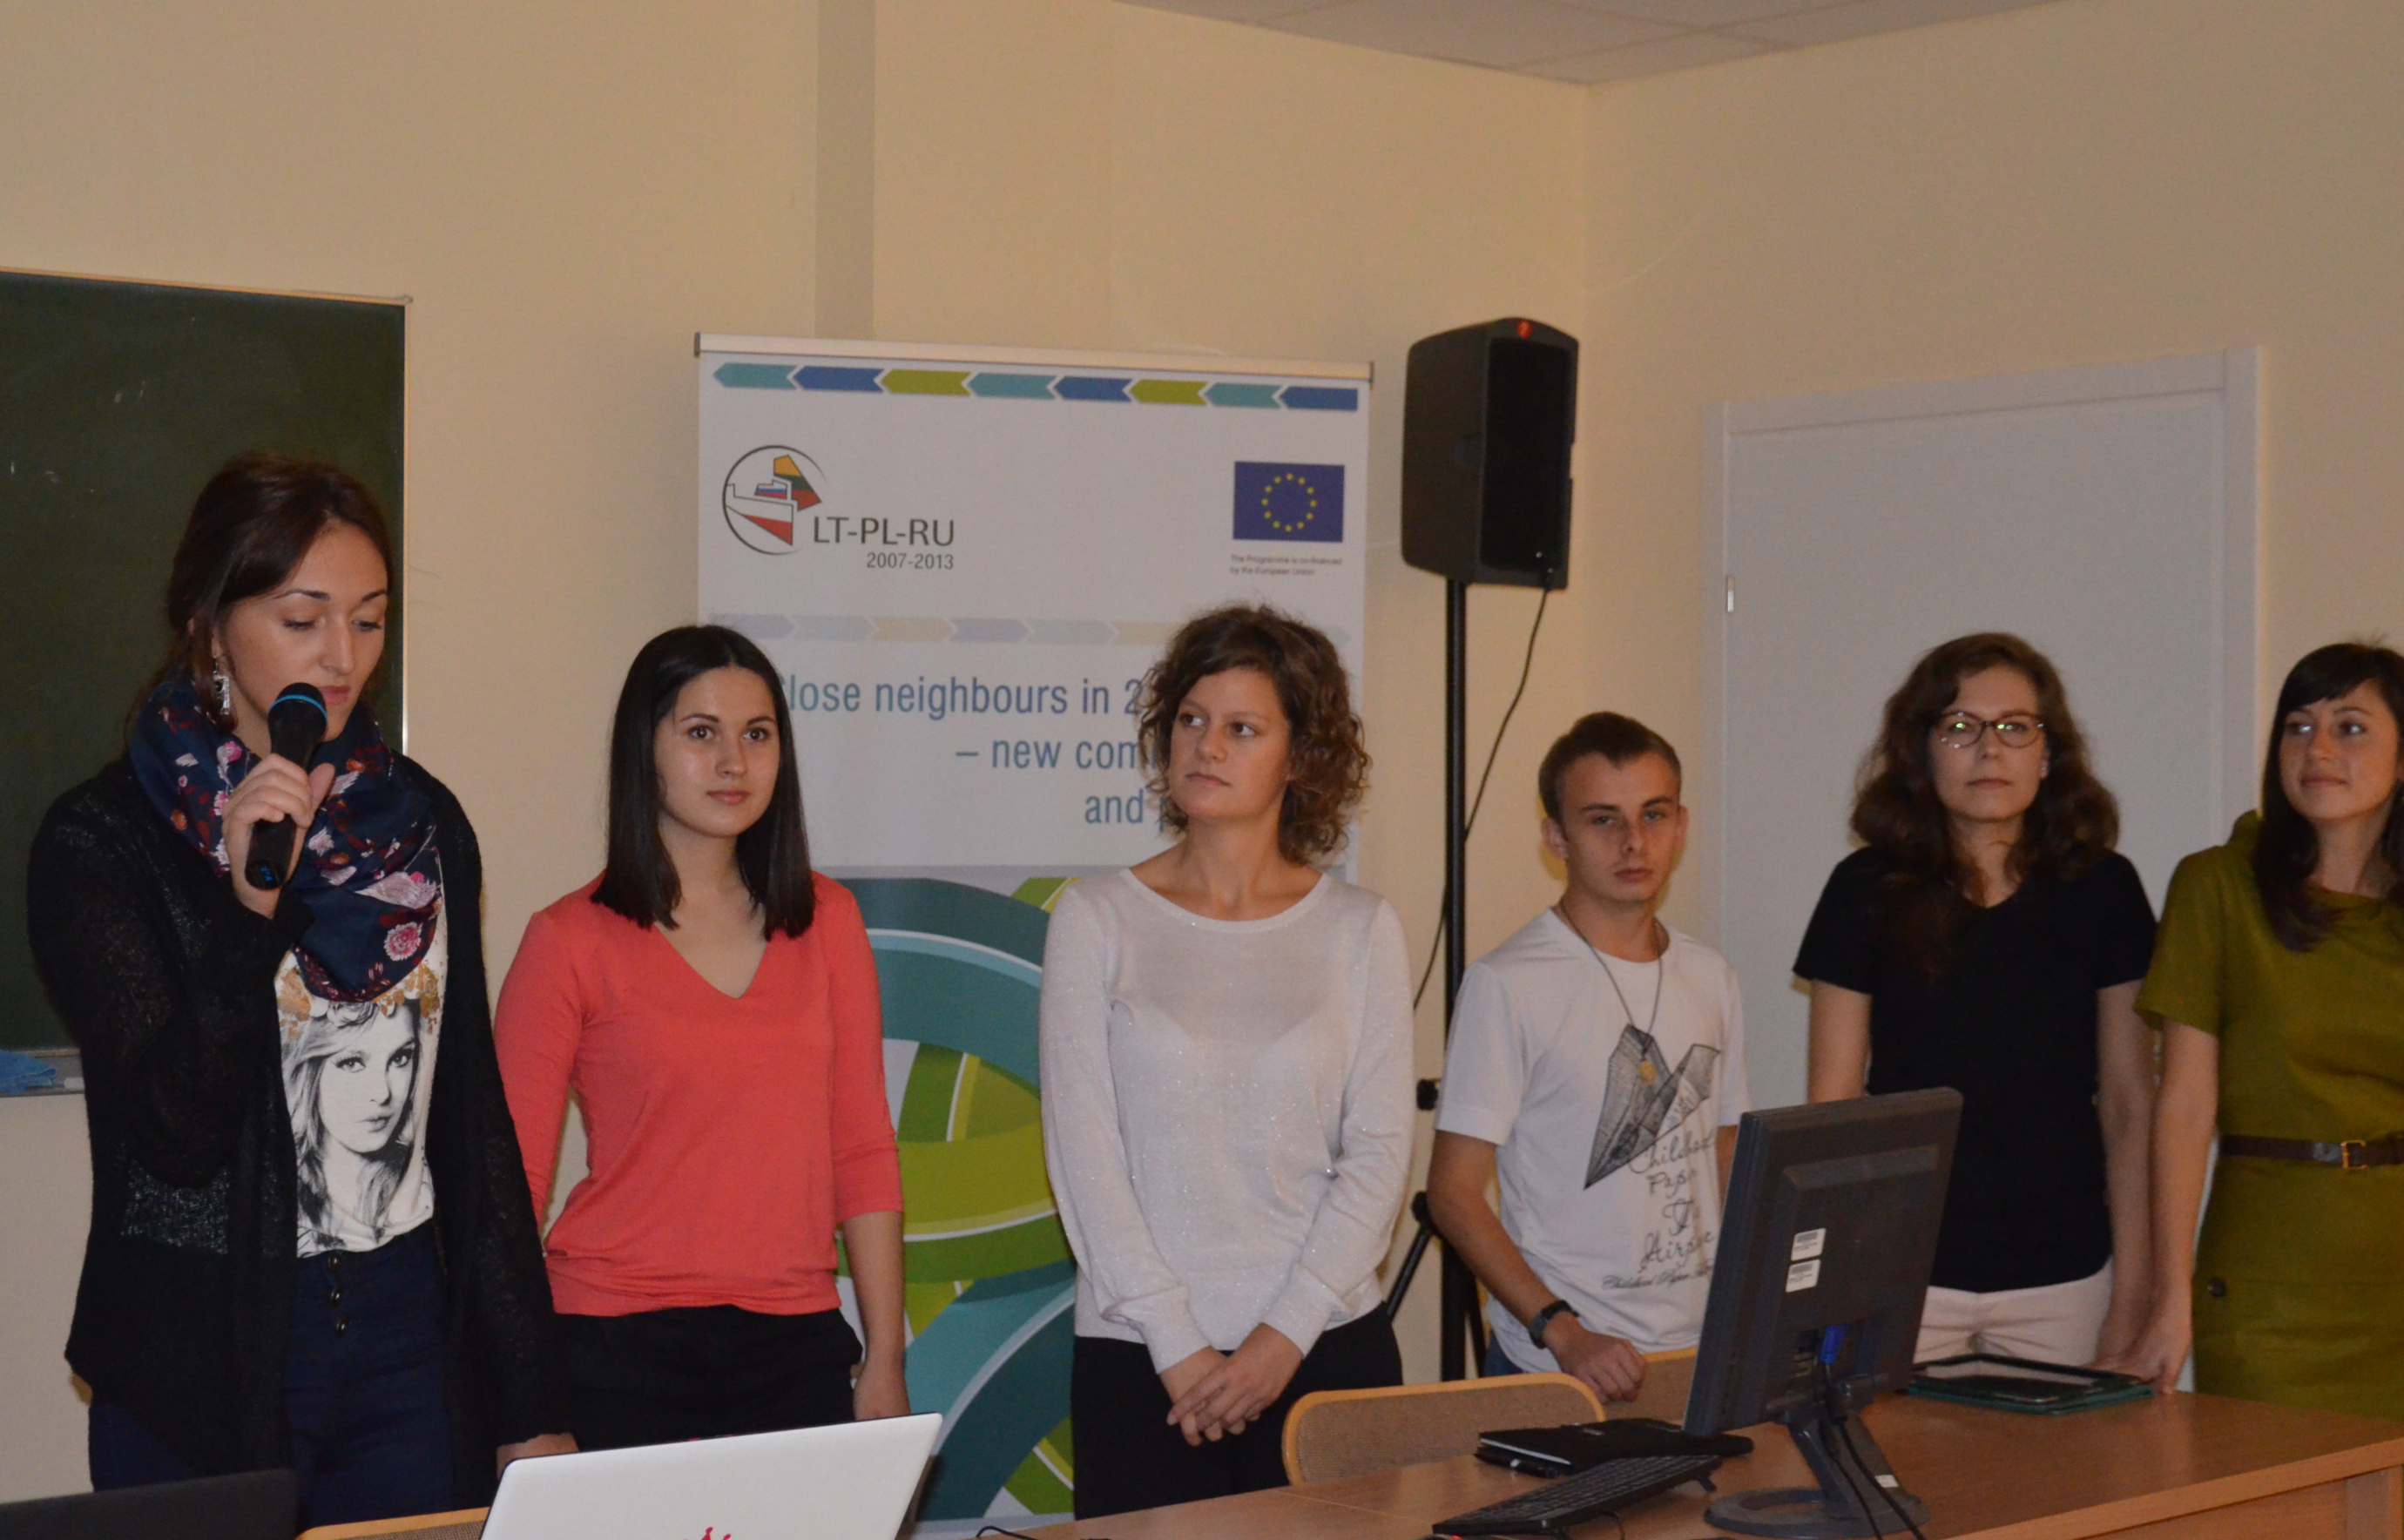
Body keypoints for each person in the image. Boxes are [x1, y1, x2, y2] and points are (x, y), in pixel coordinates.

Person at [25, 453, 570, 1526]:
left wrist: (530, 1396)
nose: (342, 656)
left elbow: (470, 1120)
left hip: (405, 1335)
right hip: (201, 1353)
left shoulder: (421, 825)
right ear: (210, 627)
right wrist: (246, 909)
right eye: (303, 618)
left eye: (369, 620)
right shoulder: (101, 842)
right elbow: (174, 1133)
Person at [494, 625, 908, 1451]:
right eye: (700, 733)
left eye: (757, 735)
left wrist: (886, 1359)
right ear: (642, 748)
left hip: (794, 1343)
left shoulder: (828, 921)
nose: (733, 763)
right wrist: (521, 1407)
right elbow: (509, 1196)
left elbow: (862, 1149)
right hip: (612, 1347)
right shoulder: (568, 939)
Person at [1039, 603, 1412, 1520]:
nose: (1206, 745)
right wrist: (1178, 1343)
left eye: (1242, 728)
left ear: (1302, 756)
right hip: (1144, 1361)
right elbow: (1085, 1158)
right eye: (1191, 719)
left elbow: (1380, 1155)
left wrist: (1282, 1338)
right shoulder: (1096, 917)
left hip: (1325, 1350)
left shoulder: (1361, 928)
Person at [1795, 632, 2157, 1367]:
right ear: (1921, 752)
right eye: (1960, 727)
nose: (1990, 749)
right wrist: (1840, 1282)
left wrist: (2134, 1291)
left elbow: (2128, 1103)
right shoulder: (1863, 889)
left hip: (2066, 1275)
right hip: (1901, 1271)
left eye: (2015, 727)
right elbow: (1833, 1105)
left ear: (2047, 754)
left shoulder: (2105, 889)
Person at [2115, 642, 2404, 1418]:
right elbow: (2184, 1107)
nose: (2318, 750)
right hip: (2268, 1280)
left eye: (2350, 727)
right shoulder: (2218, 885)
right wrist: (2169, 1297)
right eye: (2298, 727)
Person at [1429, 713, 1748, 1405]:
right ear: (1556, 838)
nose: (1634, 842)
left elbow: (1724, 1150)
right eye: (1603, 820)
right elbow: (1453, 1193)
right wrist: (1564, 1333)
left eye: (1654, 815)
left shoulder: (1711, 976)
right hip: (1561, 1368)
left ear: (1681, 826)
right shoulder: (1508, 983)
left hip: (1699, 1355)